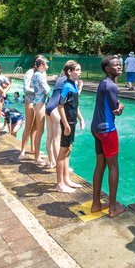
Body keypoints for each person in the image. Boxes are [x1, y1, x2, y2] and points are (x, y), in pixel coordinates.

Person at [91, 55, 126, 217]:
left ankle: (96, 204)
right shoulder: (111, 86)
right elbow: (115, 110)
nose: (119, 67)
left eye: (120, 64)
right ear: (107, 69)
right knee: (113, 166)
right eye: (115, 65)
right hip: (107, 130)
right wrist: (121, 107)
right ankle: (112, 208)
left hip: (96, 128)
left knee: (100, 165)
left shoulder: (104, 82)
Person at [57, 60, 85, 193]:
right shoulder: (67, 86)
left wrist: (81, 119)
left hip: (72, 122)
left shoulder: (73, 85)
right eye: (77, 70)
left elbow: (75, 105)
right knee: (62, 153)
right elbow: (60, 106)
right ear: (69, 72)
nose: (80, 72)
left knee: (68, 150)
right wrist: (66, 124)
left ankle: (66, 179)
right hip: (67, 123)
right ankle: (59, 184)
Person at [28, 56, 52, 166]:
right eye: (46, 64)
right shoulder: (39, 75)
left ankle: (37, 155)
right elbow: (47, 90)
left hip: (38, 102)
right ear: (41, 65)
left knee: (39, 130)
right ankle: (37, 157)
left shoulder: (36, 74)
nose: (47, 66)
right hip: (40, 104)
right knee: (40, 131)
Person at [19, 55, 41, 158]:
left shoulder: (41, 73)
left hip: (39, 102)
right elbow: (25, 88)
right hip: (30, 101)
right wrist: (38, 92)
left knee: (36, 126)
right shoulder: (30, 73)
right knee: (28, 126)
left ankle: (33, 148)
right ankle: (22, 150)